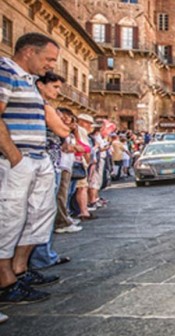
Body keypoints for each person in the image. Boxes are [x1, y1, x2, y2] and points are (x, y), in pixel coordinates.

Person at [0, 33, 62, 305]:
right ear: (28, 52)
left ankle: (20, 269)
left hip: (38, 158)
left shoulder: (29, 81)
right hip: (19, 159)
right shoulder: (5, 71)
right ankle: (5, 281)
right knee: (10, 217)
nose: (50, 65)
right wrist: (15, 158)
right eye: (48, 59)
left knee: (39, 215)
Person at [29, 71, 73, 270]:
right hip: (44, 164)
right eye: (54, 87)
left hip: (49, 164)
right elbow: (63, 130)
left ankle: (42, 256)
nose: (58, 91)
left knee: (43, 212)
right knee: (41, 212)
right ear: (40, 85)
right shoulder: (42, 105)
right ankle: (40, 258)